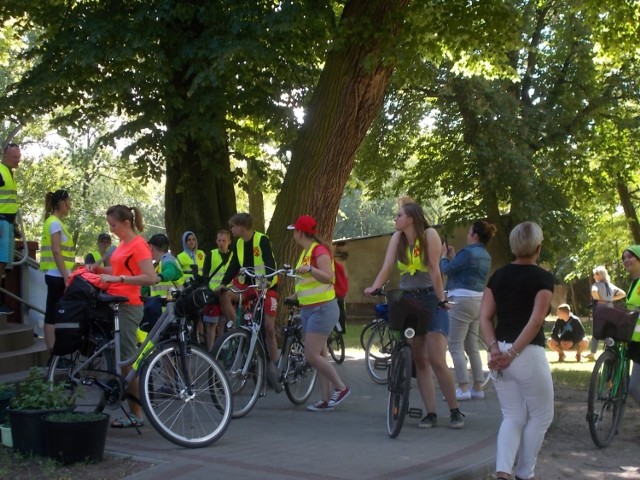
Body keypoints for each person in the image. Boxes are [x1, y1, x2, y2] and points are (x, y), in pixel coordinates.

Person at [364, 202, 465, 429]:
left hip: (431, 297)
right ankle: (430, 413)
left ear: (410, 218)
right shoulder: (397, 238)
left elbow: (433, 269)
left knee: (437, 358)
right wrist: (374, 286)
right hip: (408, 299)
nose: (395, 219)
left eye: (398, 215)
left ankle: (455, 410)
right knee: (419, 358)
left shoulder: (429, 234)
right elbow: (387, 266)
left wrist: (441, 299)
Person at [480, 221, 554, 480]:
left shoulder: (498, 276)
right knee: (542, 416)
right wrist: (512, 354)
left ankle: (502, 471)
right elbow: (535, 321)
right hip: (527, 353)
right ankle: (525, 473)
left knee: (512, 415)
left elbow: (485, 317)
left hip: (500, 350)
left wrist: (494, 350)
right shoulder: (543, 278)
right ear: (538, 247)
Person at [86, 205, 156, 428]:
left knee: (127, 361)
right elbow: (116, 272)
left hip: (129, 306)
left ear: (126, 224)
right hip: (115, 303)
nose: (111, 229)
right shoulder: (124, 245)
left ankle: (137, 414)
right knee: (120, 359)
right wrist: (96, 271)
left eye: (113, 225)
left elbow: (150, 278)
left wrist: (121, 280)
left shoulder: (139, 245)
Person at [285, 215, 350, 411]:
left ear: (299, 232)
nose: (293, 234)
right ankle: (325, 398)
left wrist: (311, 269)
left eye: (294, 230)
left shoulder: (318, 251)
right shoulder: (306, 251)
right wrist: (294, 296)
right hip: (309, 308)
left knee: (312, 355)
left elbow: (328, 278)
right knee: (320, 354)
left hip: (322, 308)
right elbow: (306, 282)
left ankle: (341, 388)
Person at [216, 213, 280, 390]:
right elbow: (234, 265)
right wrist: (223, 284)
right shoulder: (238, 244)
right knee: (227, 297)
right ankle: (237, 328)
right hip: (251, 289)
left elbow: (269, 265)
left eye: (233, 226)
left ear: (241, 227)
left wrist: (266, 283)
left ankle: (276, 365)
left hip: (268, 288)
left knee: (268, 327)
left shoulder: (262, 240)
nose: (231, 229)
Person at [440, 220, 497, 400]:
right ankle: (478, 387)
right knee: (471, 345)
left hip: (460, 300)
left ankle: (463, 388)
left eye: (469, 232)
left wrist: (443, 256)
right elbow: (463, 268)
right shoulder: (486, 255)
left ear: (475, 236)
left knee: (455, 344)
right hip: (478, 300)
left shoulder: (468, 252)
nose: (467, 235)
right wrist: (454, 255)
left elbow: (447, 269)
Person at [40, 189, 74, 356]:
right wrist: (67, 277)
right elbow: (56, 251)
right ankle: (53, 353)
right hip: (57, 276)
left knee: (55, 314)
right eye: (69, 202)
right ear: (61, 203)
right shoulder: (54, 223)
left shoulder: (55, 222)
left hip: (57, 275)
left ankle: (55, 353)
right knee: (52, 315)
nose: (70, 206)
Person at [202, 229, 233, 350]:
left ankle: (220, 348)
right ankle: (210, 351)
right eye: (219, 240)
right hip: (213, 295)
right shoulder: (211, 254)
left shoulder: (233, 256)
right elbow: (205, 274)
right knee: (211, 324)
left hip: (228, 295)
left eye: (224, 240)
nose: (221, 243)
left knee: (223, 323)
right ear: (216, 241)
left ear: (229, 241)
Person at [588, 265, 626, 361]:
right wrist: (610, 299)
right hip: (610, 309)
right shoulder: (611, 285)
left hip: (600, 310)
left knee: (596, 331)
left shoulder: (597, 285)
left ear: (599, 275)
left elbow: (594, 292)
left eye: (595, 275)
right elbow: (623, 293)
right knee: (608, 330)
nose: (594, 277)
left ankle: (592, 353)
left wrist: (600, 299)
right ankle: (610, 350)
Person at [0, 143, 21, 314]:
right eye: (15, 157)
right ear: (5, 156)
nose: (18, 160)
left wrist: (14, 226)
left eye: (19, 156)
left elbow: (9, 203)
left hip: (7, 223)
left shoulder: (10, 174)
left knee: (4, 263)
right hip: (0, 223)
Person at [621, 246, 640, 406]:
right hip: (635, 341)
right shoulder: (634, 283)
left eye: (630, 256)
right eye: (624, 258)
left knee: (634, 387)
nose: (626, 260)